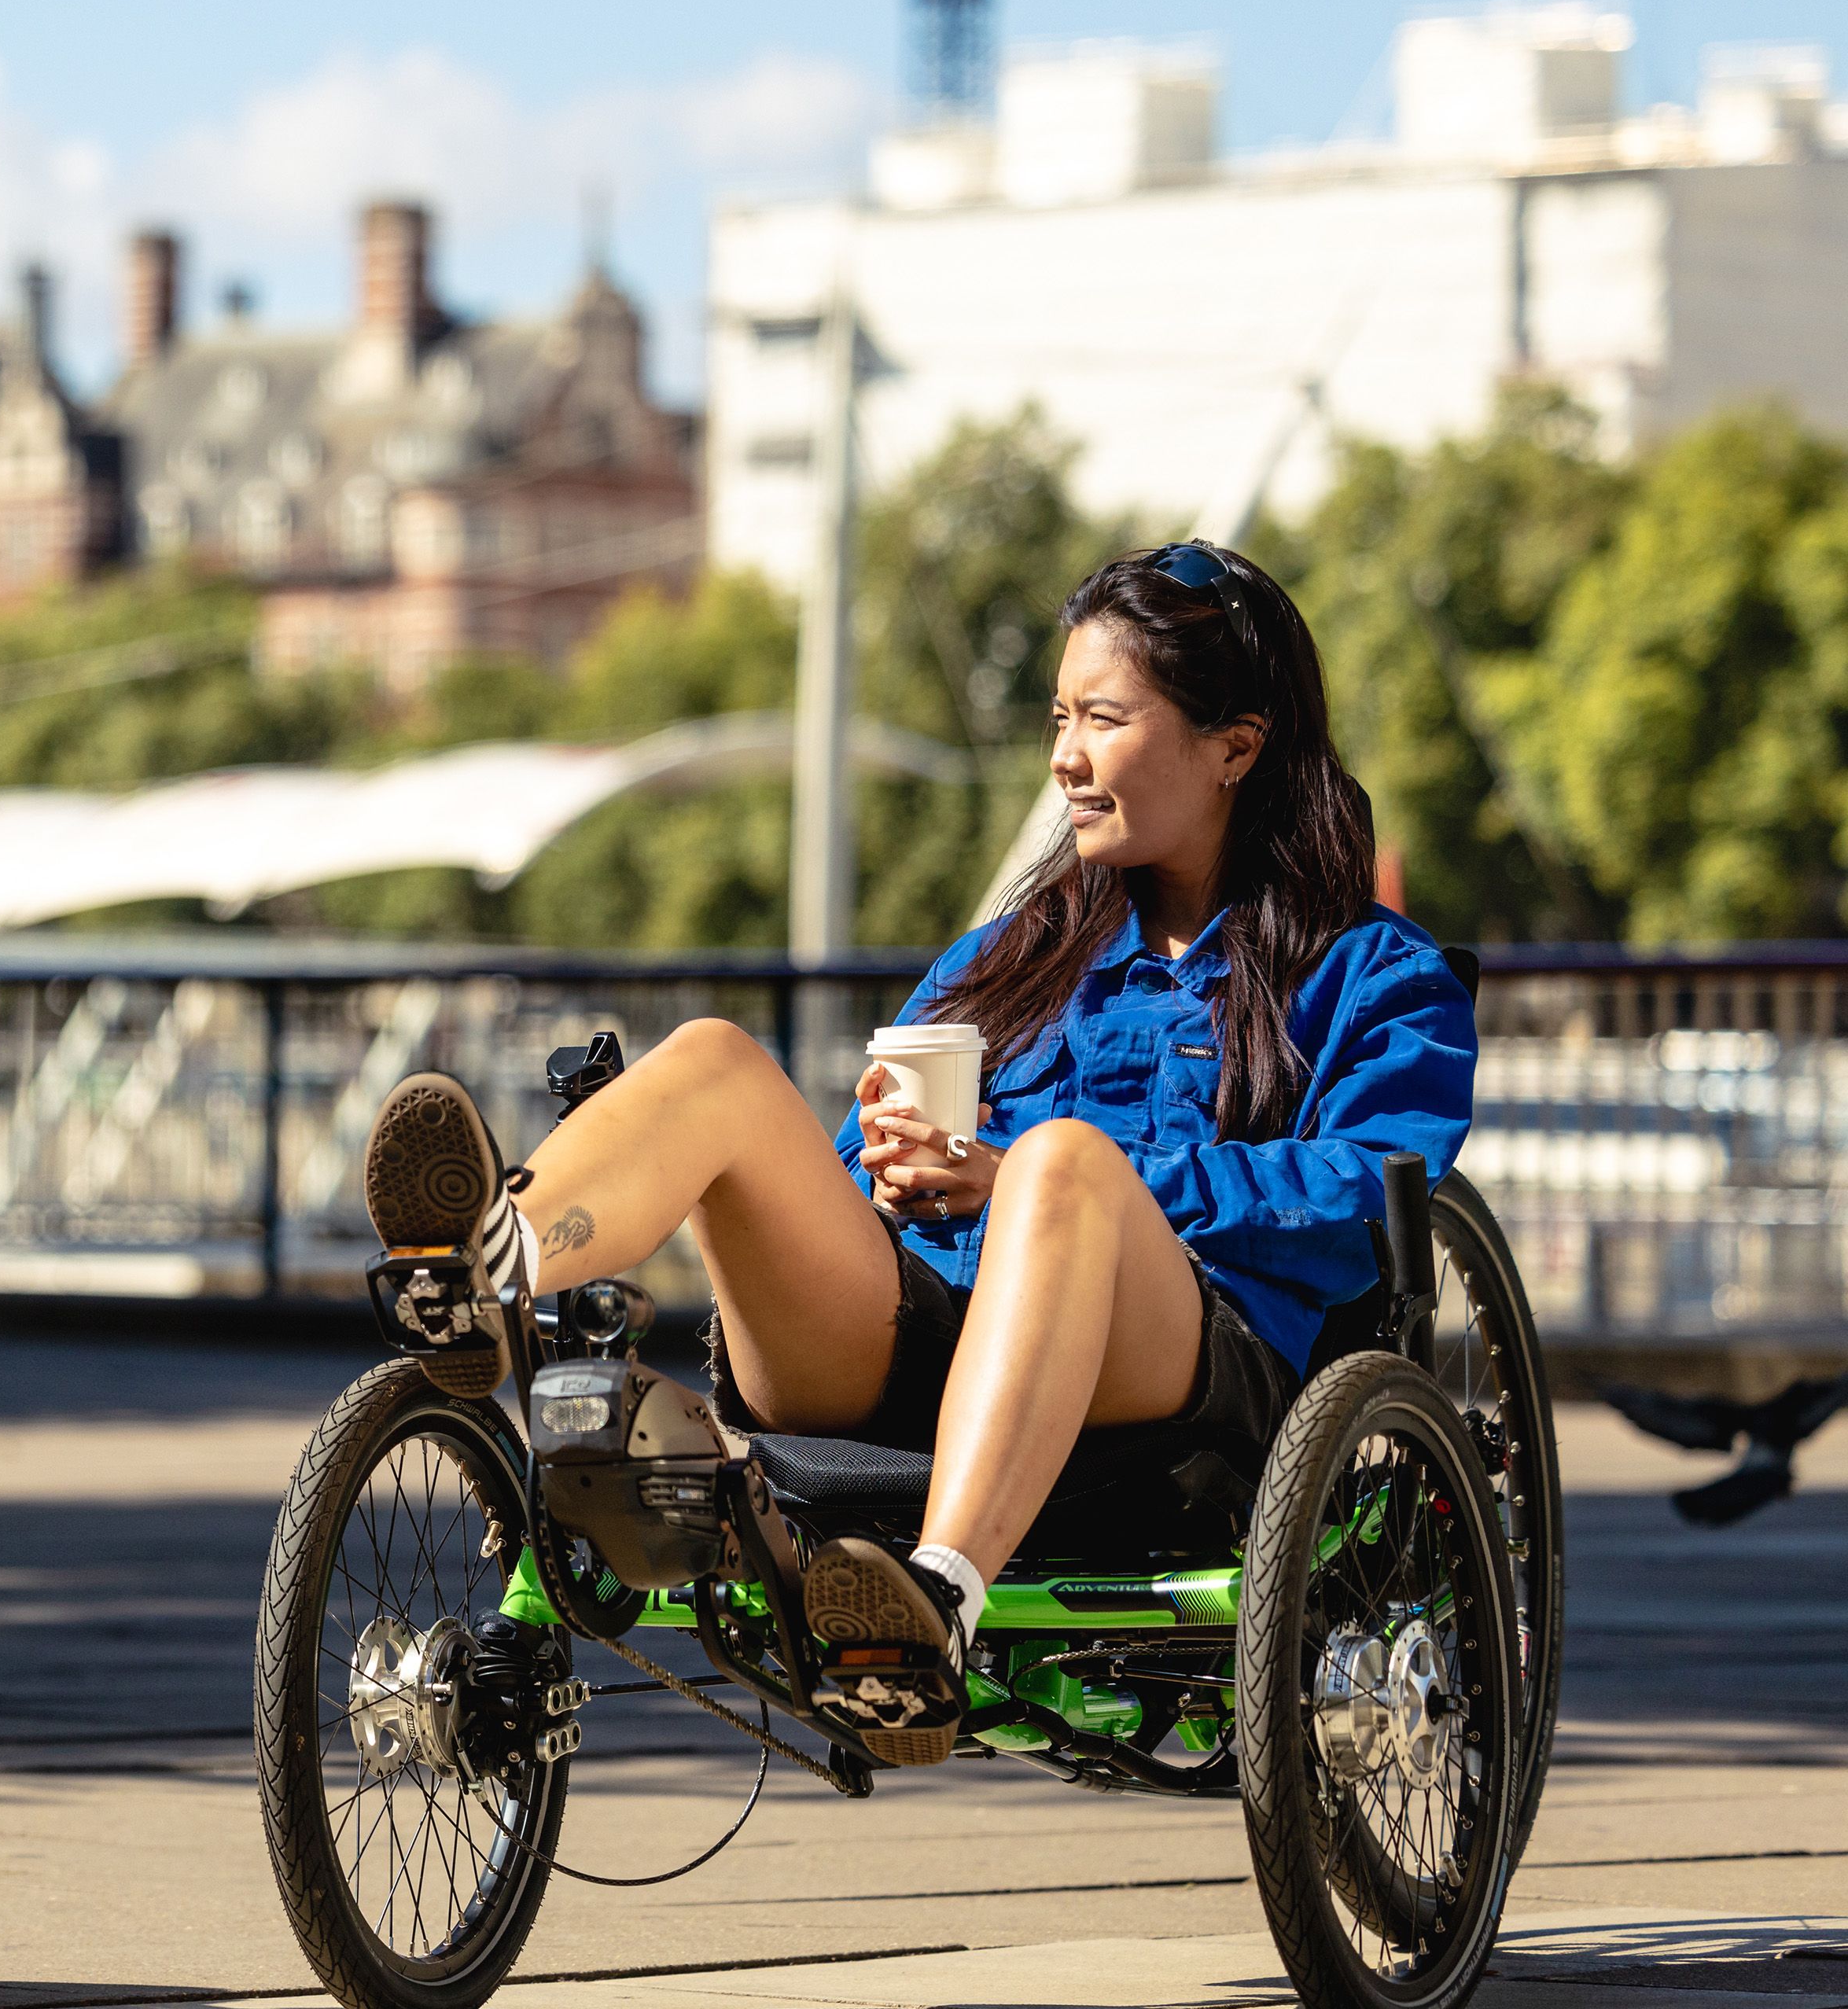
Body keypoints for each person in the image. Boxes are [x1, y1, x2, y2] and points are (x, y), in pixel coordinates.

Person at [363, 540, 1474, 1767]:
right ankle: (489, 1267)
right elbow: (852, 1183)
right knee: (717, 1059)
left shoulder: (1374, 972)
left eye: (1104, 719)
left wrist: (1028, 1176)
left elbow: (1363, 1199)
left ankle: (932, 1607)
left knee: (1061, 1162)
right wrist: (885, 1177)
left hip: (1179, 1394)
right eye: (1059, 718)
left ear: (1235, 745)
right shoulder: (1009, 958)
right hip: (924, 1341)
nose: (1064, 757)